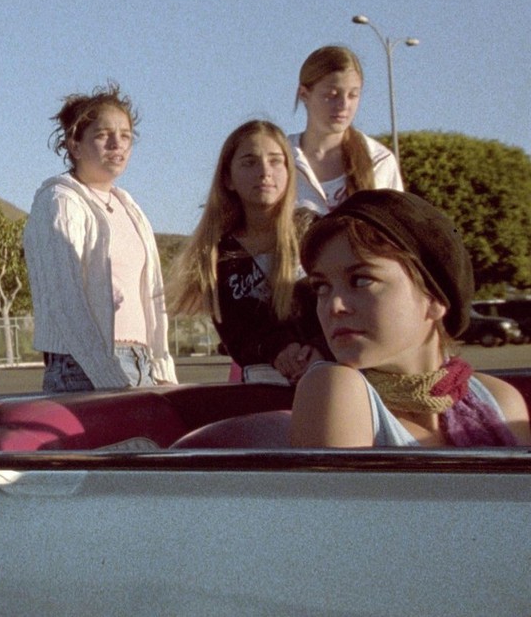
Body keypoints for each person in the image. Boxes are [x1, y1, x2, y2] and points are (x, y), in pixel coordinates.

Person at [289, 190, 530, 447]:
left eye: (361, 280)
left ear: (434, 298)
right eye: (322, 287)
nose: (334, 305)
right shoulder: (334, 386)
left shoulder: (499, 399)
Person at [23, 82, 176, 392]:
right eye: (103, 135)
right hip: (84, 367)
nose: (117, 144)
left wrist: (161, 369)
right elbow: (65, 302)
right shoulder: (60, 201)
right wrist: (107, 376)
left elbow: (152, 294)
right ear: (75, 145)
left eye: (125, 136)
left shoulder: (129, 207)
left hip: (140, 361)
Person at [168, 120, 326, 384]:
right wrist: (278, 350)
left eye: (275, 161)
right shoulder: (219, 254)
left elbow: (349, 305)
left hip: (330, 378)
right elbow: (237, 335)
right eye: (249, 162)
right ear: (228, 178)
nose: (264, 172)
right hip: (262, 388)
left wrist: (320, 349)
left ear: (290, 171)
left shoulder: (317, 232)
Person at [289, 45, 404, 216]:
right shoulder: (281, 158)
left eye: (353, 95)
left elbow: (395, 227)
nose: (343, 105)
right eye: (332, 95)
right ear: (304, 94)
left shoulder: (379, 161)